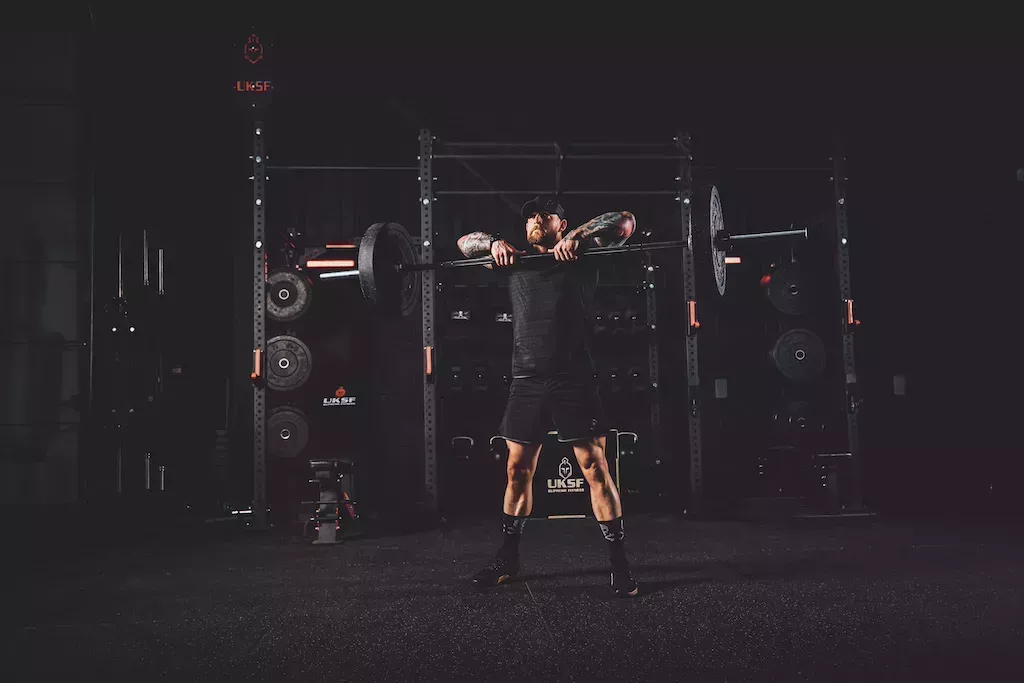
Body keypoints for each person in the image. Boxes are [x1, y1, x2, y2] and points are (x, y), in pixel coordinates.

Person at [456, 195, 640, 597]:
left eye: (546, 215)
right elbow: (463, 243)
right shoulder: (512, 261)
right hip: (526, 381)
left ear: (561, 224)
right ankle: (508, 559)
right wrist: (492, 245)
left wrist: (577, 236)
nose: (536, 220)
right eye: (530, 218)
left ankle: (619, 565)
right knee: (516, 471)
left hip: (573, 380)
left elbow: (624, 222)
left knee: (595, 468)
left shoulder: (582, 254)